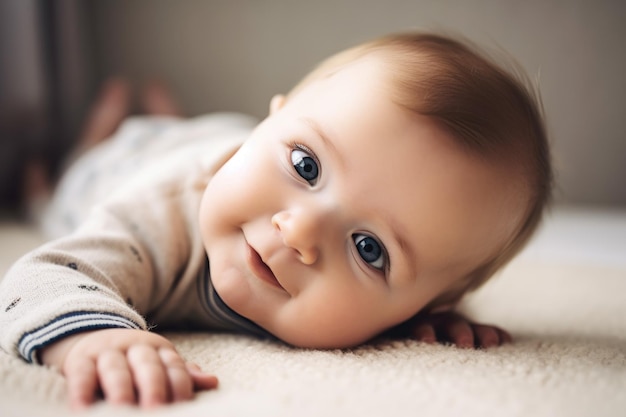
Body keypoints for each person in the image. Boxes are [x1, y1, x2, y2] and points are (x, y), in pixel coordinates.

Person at [0, 32, 552, 409]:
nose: (301, 232)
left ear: (429, 304)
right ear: (278, 116)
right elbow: (42, 275)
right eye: (307, 166)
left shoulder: (410, 301)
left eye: (369, 249)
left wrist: (432, 326)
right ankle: (98, 143)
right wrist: (92, 336)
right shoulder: (157, 217)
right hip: (128, 165)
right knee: (58, 198)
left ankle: (188, 124)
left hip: (235, 143)